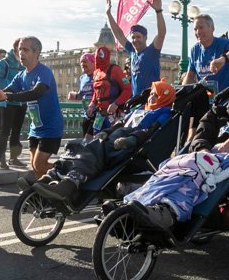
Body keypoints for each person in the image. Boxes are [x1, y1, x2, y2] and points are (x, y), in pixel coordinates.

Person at [125, 76, 229, 240]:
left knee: (192, 175)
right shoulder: (220, 113)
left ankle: (169, 211)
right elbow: (203, 131)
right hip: (206, 157)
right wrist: (203, 147)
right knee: (170, 168)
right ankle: (139, 202)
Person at [32, 79, 178, 203]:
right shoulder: (139, 108)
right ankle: (50, 176)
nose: (151, 98)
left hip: (124, 144)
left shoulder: (164, 113)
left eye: (156, 95)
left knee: (91, 153)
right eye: (151, 94)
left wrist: (131, 140)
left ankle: (70, 183)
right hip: (114, 136)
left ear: (164, 98)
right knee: (77, 146)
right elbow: (120, 124)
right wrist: (105, 132)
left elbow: (150, 131)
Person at [0, 36, 63, 185]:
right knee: (35, 167)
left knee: (40, 164)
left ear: (36, 52)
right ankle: (47, 195)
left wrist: (8, 97)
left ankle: (71, 172)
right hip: (35, 128)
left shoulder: (44, 72)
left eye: (25, 49)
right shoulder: (21, 75)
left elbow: (36, 93)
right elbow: (8, 89)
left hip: (51, 127)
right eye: (19, 50)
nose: (21, 53)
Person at [104, 0, 166, 97]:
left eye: (138, 37)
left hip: (151, 99)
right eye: (133, 37)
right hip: (136, 100)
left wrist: (158, 11)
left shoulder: (152, 51)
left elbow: (161, 33)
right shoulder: (132, 51)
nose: (135, 40)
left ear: (145, 38)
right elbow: (119, 34)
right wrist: (108, 14)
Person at [182, 14, 229, 92]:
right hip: (206, 98)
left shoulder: (222, 43)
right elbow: (190, 76)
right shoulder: (195, 50)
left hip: (228, 97)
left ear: (212, 28)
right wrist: (182, 93)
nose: (198, 32)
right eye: (195, 29)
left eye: (201, 28)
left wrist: (223, 59)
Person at [86, 46, 131, 134]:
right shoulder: (96, 73)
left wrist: (116, 103)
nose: (98, 58)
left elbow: (128, 89)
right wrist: (92, 104)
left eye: (100, 55)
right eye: (97, 56)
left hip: (114, 115)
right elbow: (96, 93)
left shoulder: (115, 70)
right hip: (100, 114)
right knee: (97, 138)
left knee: (112, 139)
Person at [0, 43, 26, 166]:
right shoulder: (4, 63)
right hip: (7, 101)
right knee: (4, 131)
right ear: (15, 49)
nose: (23, 52)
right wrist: (12, 90)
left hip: (21, 101)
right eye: (22, 49)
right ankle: (1, 159)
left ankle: (13, 158)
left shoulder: (23, 64)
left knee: (17, 131)